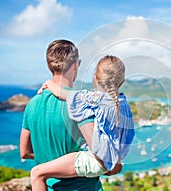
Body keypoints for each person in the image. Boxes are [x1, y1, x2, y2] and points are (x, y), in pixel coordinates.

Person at [20, 40, 121, 190]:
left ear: (49, 66)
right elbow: (105, 159)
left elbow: (25, 152)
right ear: (75, 65)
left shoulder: (31, 105)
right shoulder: (81, 104)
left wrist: (50, 161)